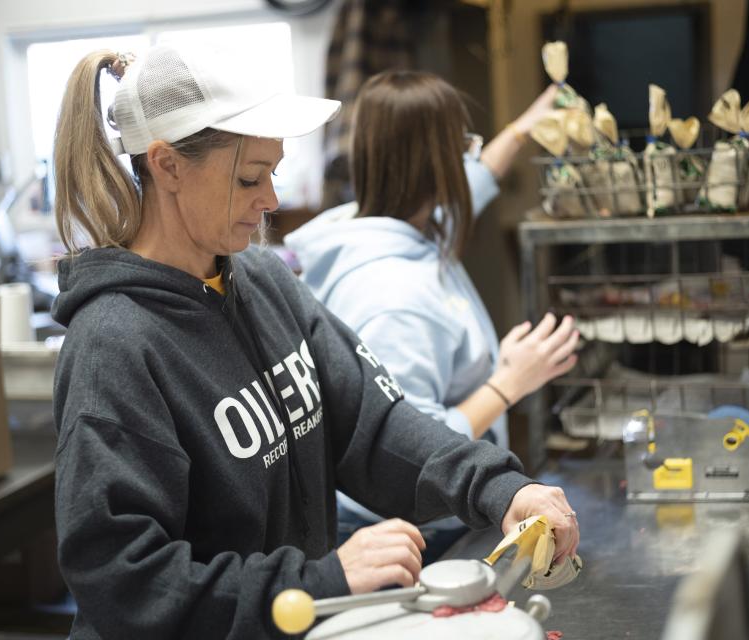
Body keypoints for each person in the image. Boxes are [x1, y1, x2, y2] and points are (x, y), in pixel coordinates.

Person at [51, 44, 579, 639]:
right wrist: (316, 582)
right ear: (168, 165)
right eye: (250, 176)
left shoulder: (261, 277)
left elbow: (373, 424)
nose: (271, 199)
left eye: (272, 172)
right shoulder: (114, 345)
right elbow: (125, 581)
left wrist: (499, 487)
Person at [286, 70, 580, 563]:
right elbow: (410, 445)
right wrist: (510, 382)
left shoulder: (383, 223)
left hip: (427, 518)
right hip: (415, 531)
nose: (471, 158)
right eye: (463, 145)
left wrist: (528, 124)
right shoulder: (391, 296)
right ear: (437, 163)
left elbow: (477, 178)